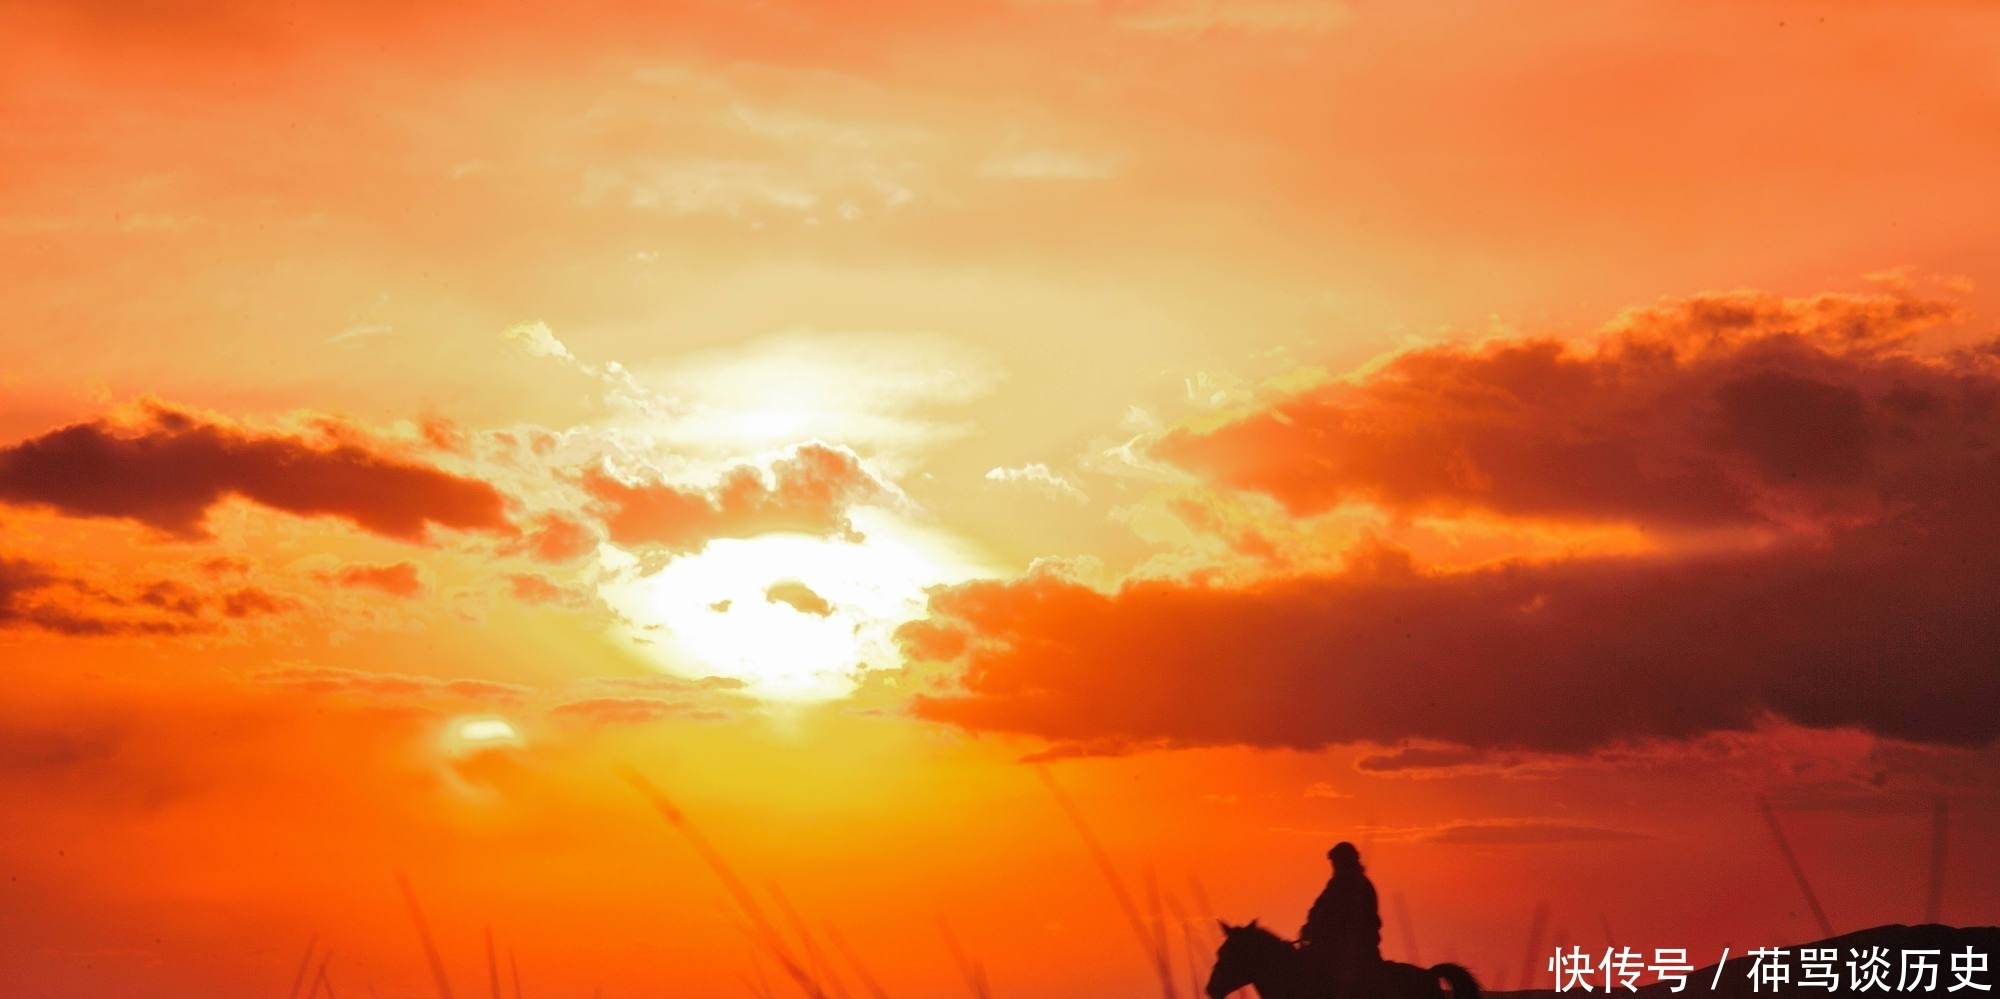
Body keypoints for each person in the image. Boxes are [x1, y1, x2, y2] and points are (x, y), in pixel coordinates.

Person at [1299, 842, 1382, 994]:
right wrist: (1309, 927)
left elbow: (1351, 920)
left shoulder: (1359, 885)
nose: (1334, 866)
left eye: (1337, 862)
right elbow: (1319, 909)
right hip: (1330, 947)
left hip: (1355, 951)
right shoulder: (1336, 884)